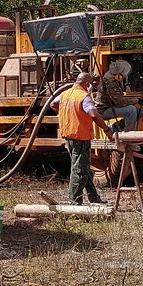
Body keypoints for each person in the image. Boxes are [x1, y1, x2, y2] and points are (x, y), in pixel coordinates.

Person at [50, 72, 113, 205]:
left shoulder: (65, 94)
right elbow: (94, 114)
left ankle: (93, 197)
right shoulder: (84, 97)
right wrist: (107, 130)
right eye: (91, 85)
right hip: (80, 137)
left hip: (69, 136)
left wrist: (66, 114)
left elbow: (52, 105)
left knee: (82, 167)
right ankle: (74, 203)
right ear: (87, 84)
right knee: (79, 170)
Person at [92, 60, 141, 133]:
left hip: (110, 106)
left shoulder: (112, 77)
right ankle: (129, 136)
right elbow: (120, 102)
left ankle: (114, 127)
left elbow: (119, 98)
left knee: (139, 112)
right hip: (103, 110)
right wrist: (136, 100)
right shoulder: (110, 82)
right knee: (131, 110)